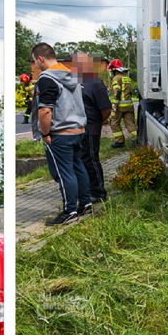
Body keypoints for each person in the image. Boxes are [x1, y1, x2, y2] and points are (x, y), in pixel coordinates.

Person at [30, 43, 92, 226]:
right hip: (77, 129)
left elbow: (45, 111)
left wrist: (45, 133)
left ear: (40, 58)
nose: (36, 65)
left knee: (64, 173)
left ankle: (69, 211)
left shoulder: (47, 79)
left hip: (60, 133)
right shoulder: (71, 75)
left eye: (35, 61)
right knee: (78, 167)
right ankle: (85, 203)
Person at [73, 53, 111, 203]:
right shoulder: (76, 81)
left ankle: (98, 192)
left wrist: (98, 121)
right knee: (81, 160)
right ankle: (85, 189)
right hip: (78, 128)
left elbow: (106, 108)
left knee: (90, 160)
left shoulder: (95, 83)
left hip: (90, 128)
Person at [108, 59, 137, 148]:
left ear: (114, 70)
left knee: (114, 122)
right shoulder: (126, 77)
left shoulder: (116, 78)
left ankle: (119, 142)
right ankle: (135, 141)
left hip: (120, 106)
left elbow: (117, 93)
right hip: (129, 105)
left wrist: (115, 106)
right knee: (130, 123)